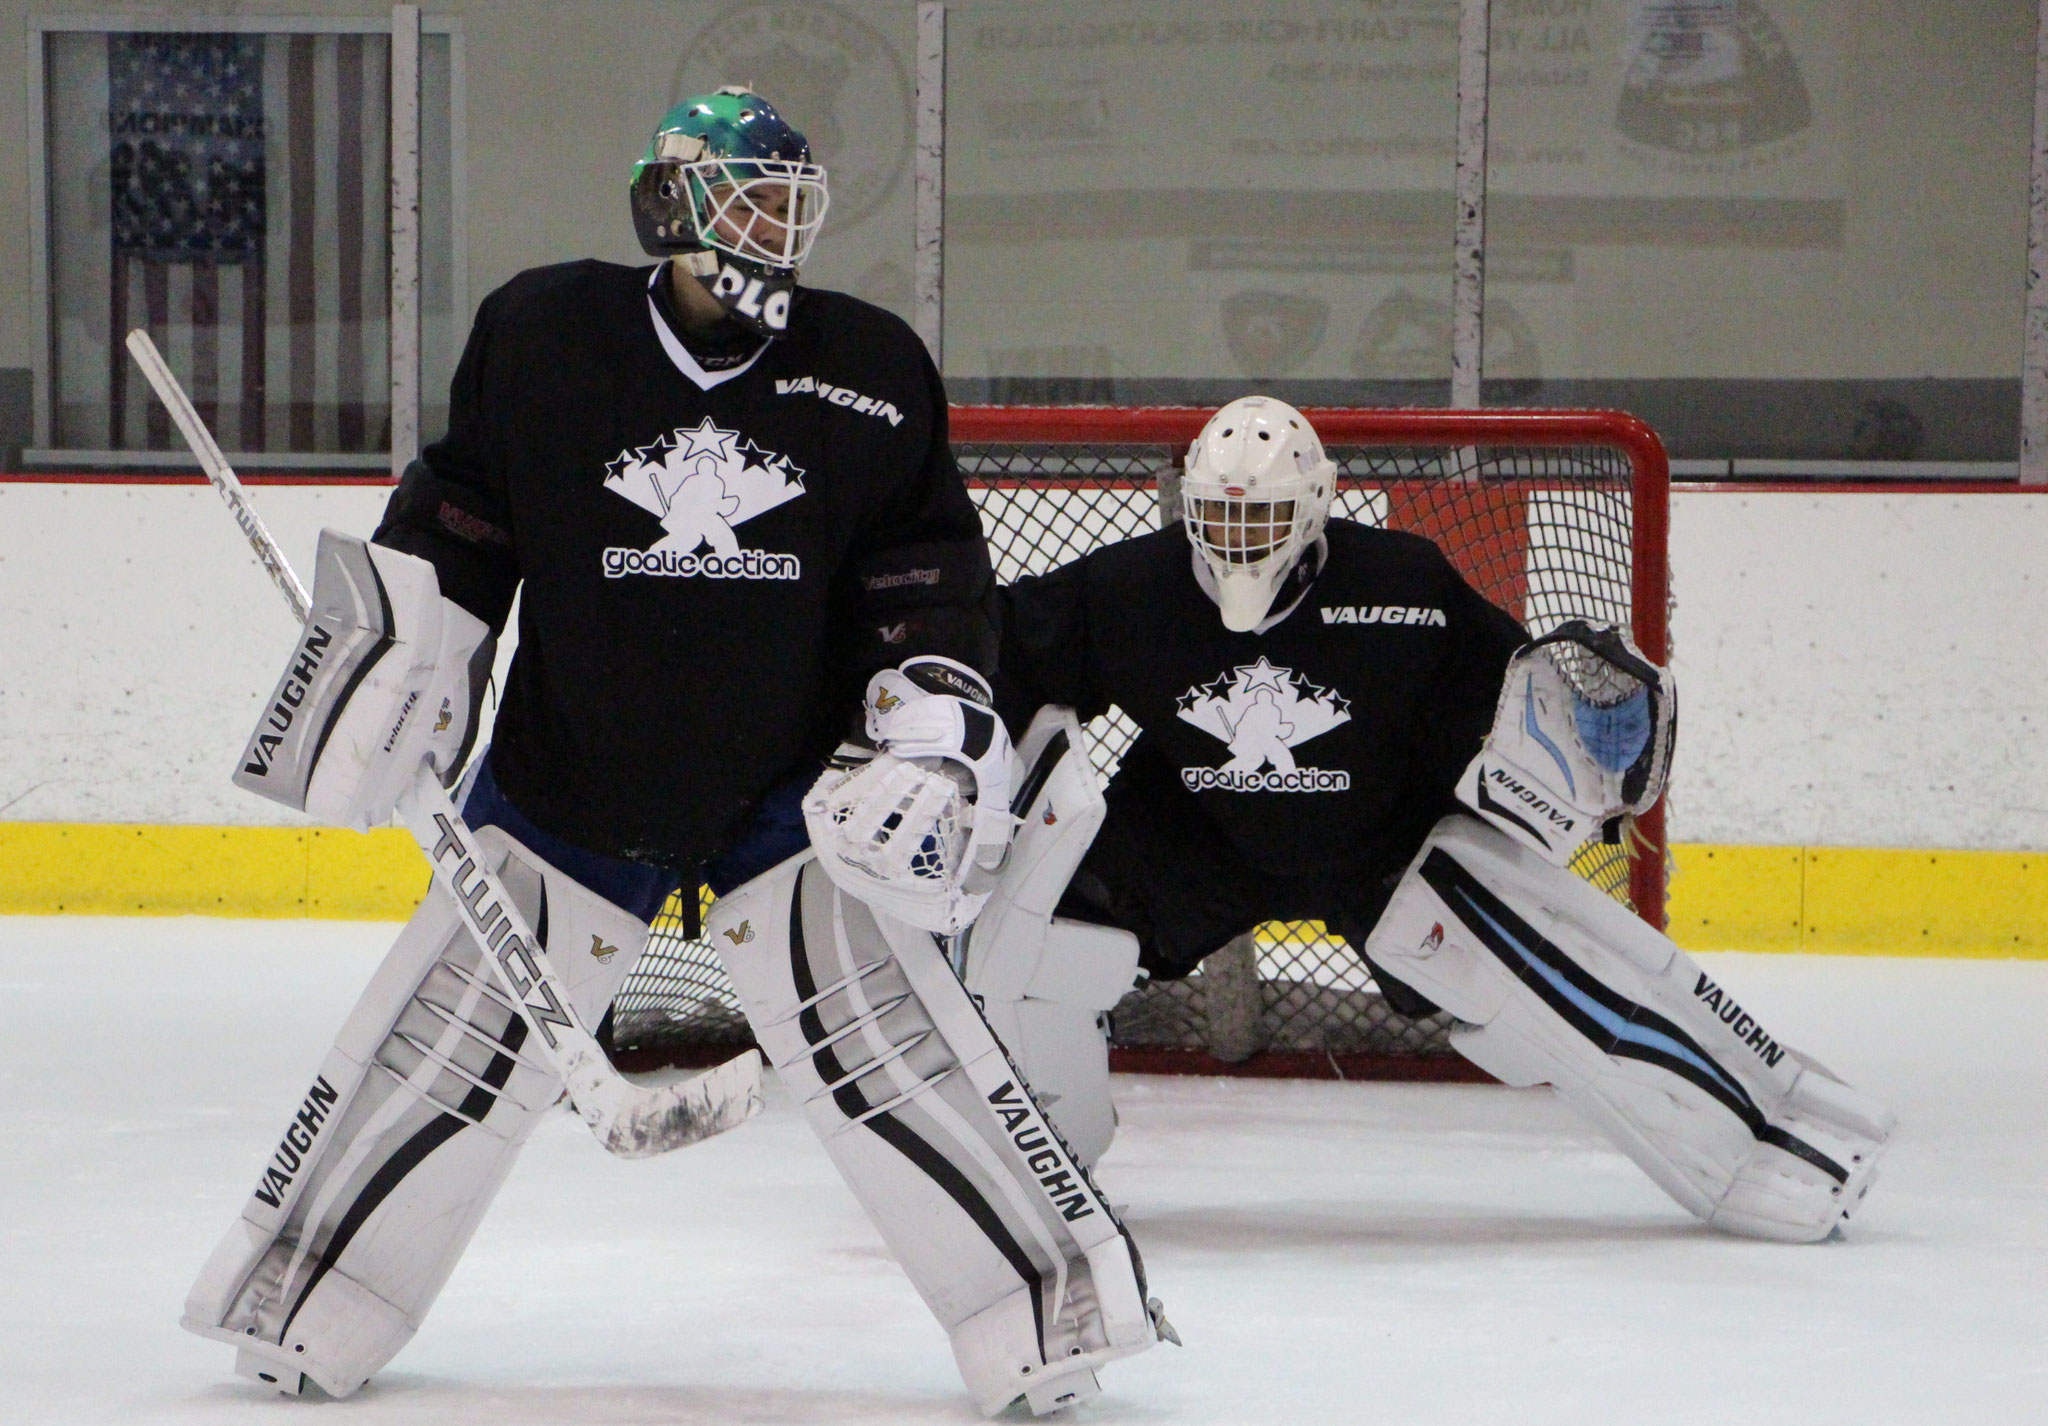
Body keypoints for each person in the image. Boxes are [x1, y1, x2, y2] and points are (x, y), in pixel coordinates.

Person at [184, 88, 1165, 1417]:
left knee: (893, 1046)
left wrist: (932, 723)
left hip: (788, 789)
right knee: (446, 1042)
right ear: (673, 208)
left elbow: (927, 573)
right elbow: (466, 516)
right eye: (749, 201)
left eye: (790, 206)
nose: (775, 232)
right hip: (574, 773)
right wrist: (406, 660)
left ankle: (1051, 1312)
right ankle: (297, 1301)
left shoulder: (868, 370)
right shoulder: (545, 337)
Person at [965, 394, 1895, 1245]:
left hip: (1383, 842)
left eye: (1263, 513)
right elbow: (994, 665)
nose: (1237, 535)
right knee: (1036, 944)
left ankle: (1759, 1140)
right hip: (1192, 832)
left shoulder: (1406, 584)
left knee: (1545, 988)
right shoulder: (1129, 588)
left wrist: (1588, 755)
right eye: (1217, 513)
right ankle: (1041, 1169)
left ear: (1321, 502)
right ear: (1187, 502)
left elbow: (1513, 707)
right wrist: (901, 716)